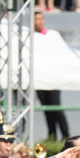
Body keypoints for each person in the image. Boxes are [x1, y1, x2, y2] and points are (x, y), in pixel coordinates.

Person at [33, 11, 70, 140]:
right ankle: (52, 135)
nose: (39, 22)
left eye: (40, 19)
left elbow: (62, 52)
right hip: (39, 79)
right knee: (46, 109)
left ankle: (66, 136)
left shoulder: (53, 35)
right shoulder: (30, 36)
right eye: (36, 19)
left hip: (54, 78)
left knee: (56, 106)